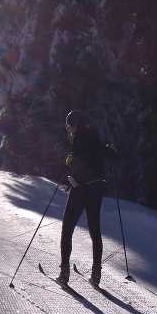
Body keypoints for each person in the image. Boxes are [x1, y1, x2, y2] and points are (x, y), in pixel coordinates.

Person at [59, 110, 110, 286]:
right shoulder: (95, 137)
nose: (69, 129)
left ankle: (64, 272)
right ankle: (96, 275)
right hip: (97, 189)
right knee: (95, 231)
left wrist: (70, 168)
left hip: (80, 188)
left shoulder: (79, 139)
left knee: (67, 230)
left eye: (69, 125)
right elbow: (107, 155)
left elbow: (78, 164)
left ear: (74, 124)